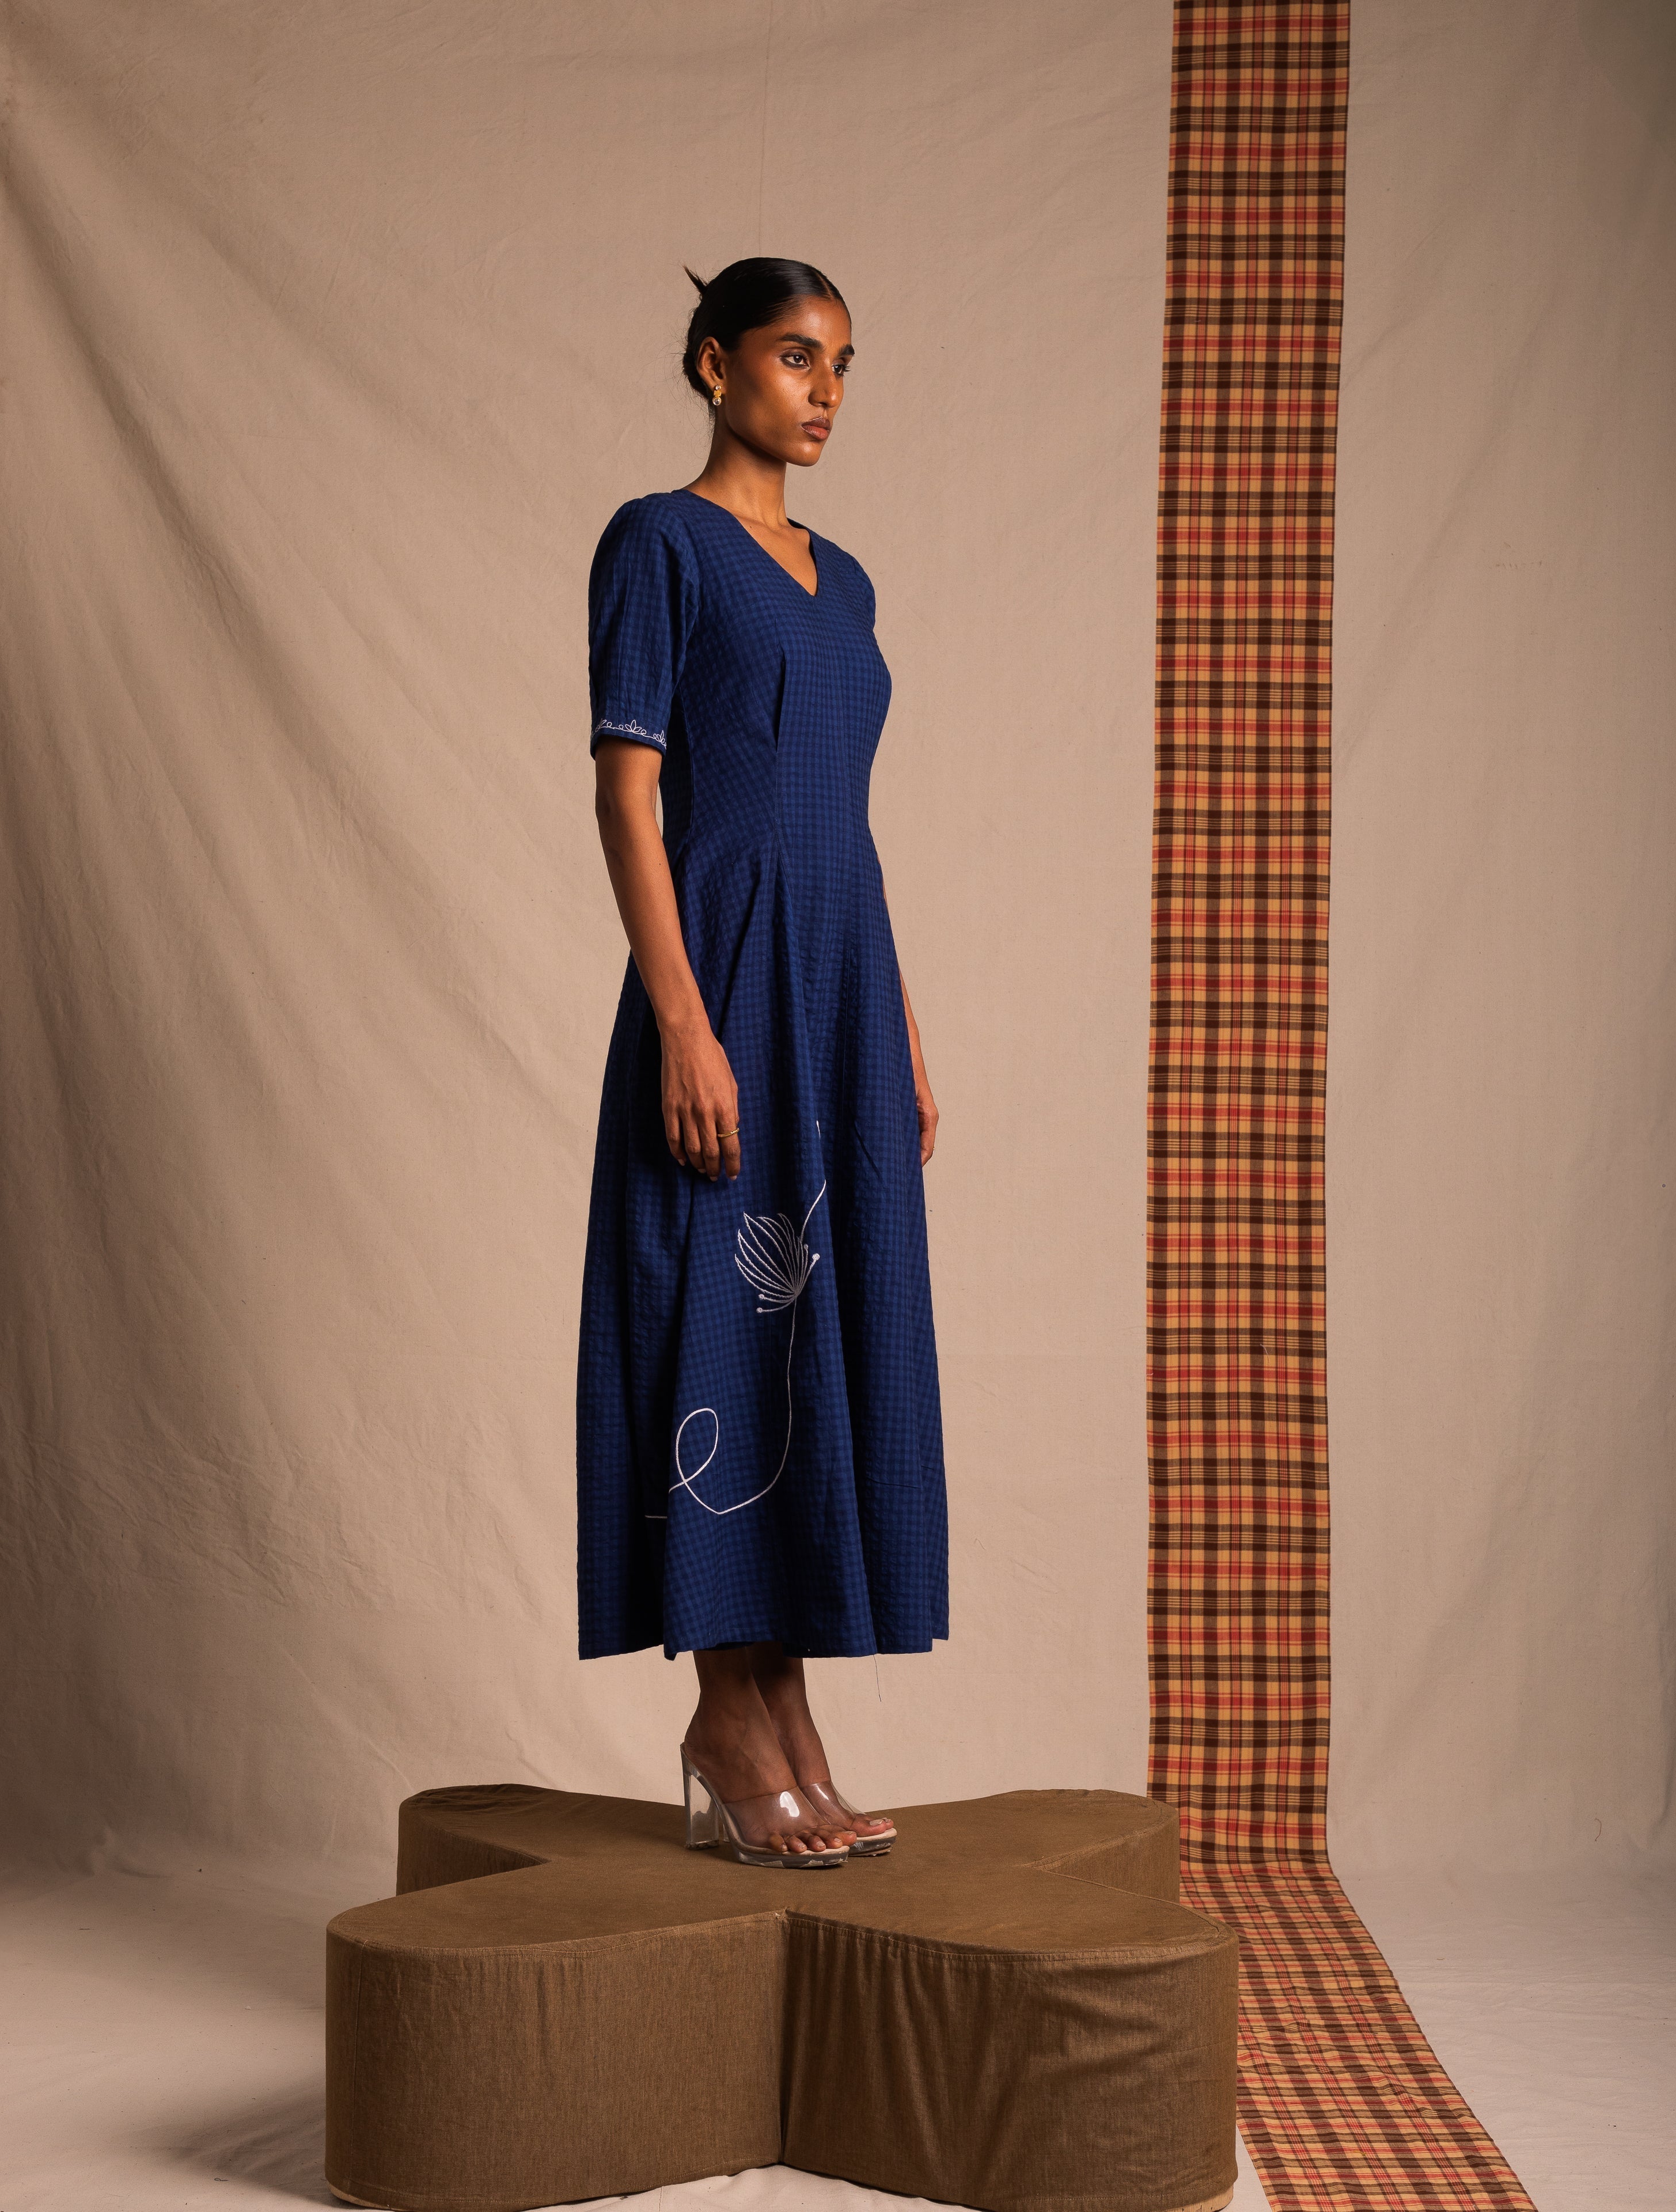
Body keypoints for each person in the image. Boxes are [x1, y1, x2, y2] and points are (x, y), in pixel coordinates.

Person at [577, 258, 947, 1868]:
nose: (825, 392)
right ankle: (730, 1723)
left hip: (842, 984)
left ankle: (784, 1712)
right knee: (720, 1312)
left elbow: (847, 824)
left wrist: (907, 1031)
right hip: (723, 975)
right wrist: (680, 1020)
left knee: (820, 1336)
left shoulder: (845, 582)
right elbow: (627, 794)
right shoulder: (658, 543)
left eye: (845, 366)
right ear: (716, 360)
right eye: (798, 357)